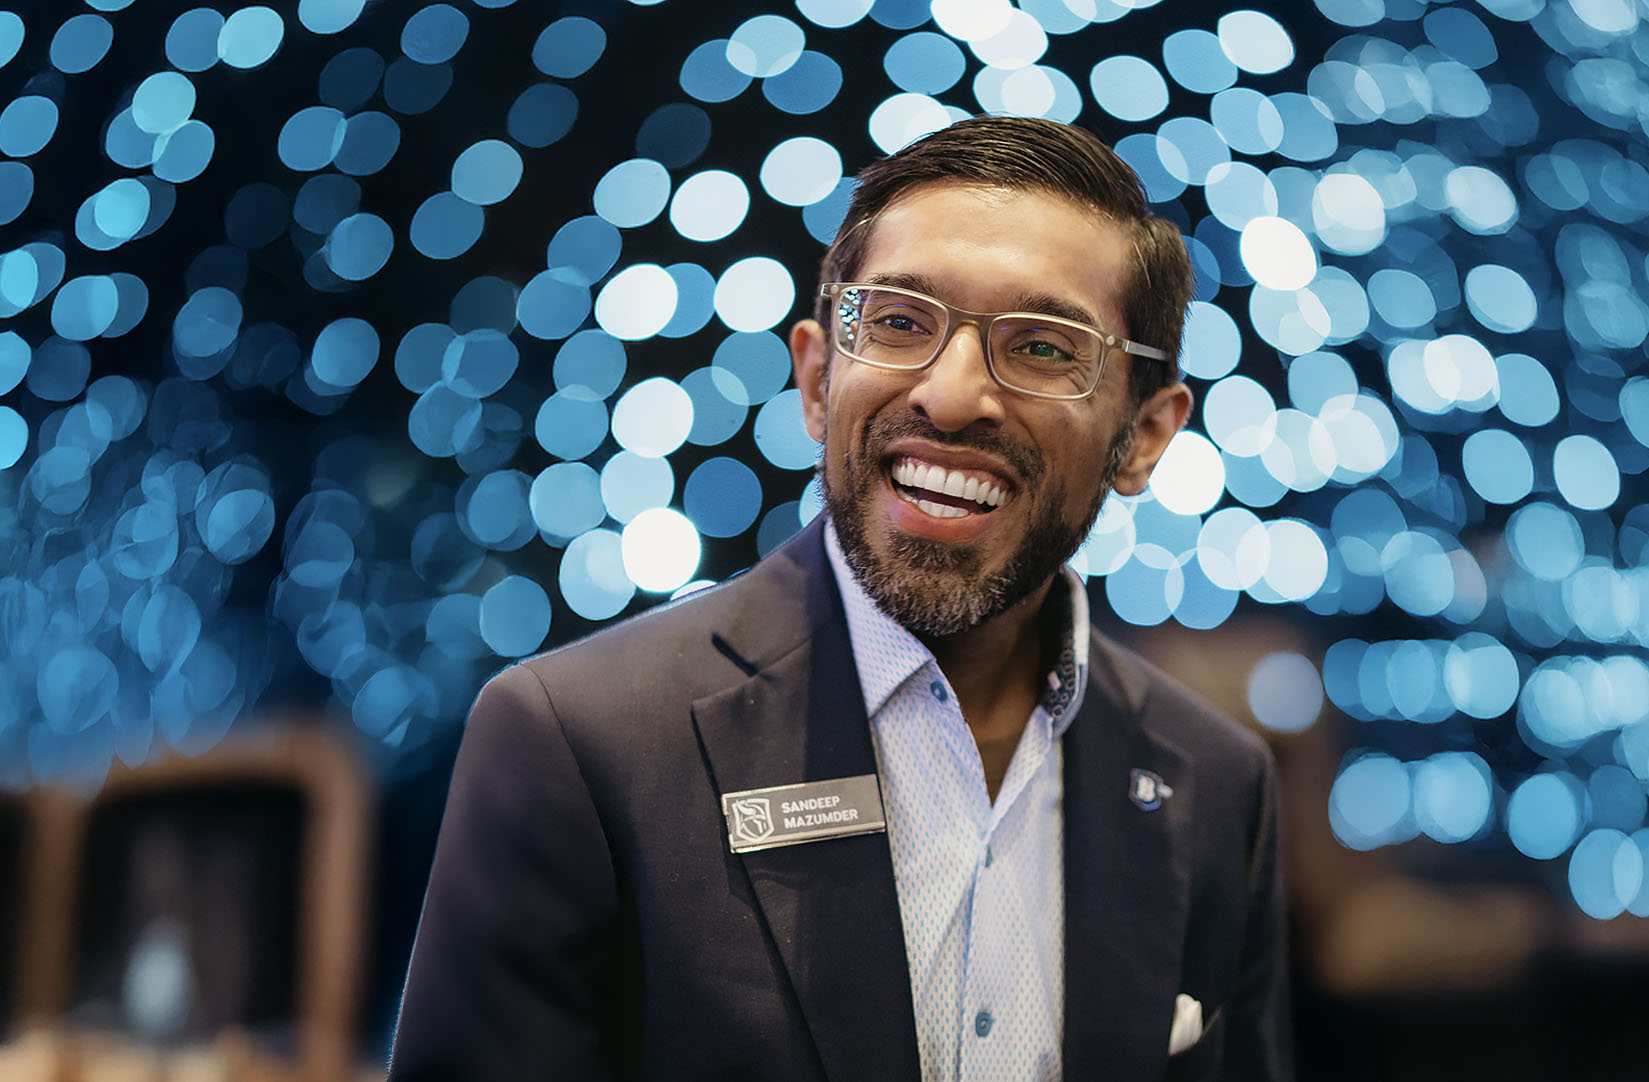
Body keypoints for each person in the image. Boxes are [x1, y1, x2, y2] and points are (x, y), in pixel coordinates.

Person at [388, 115, 1292, 1082]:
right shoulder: (580, 741)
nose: (950, 399)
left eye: (1041, 347)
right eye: (901, 323)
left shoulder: (1216, 783)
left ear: (1145, 435)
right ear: (819, 380)